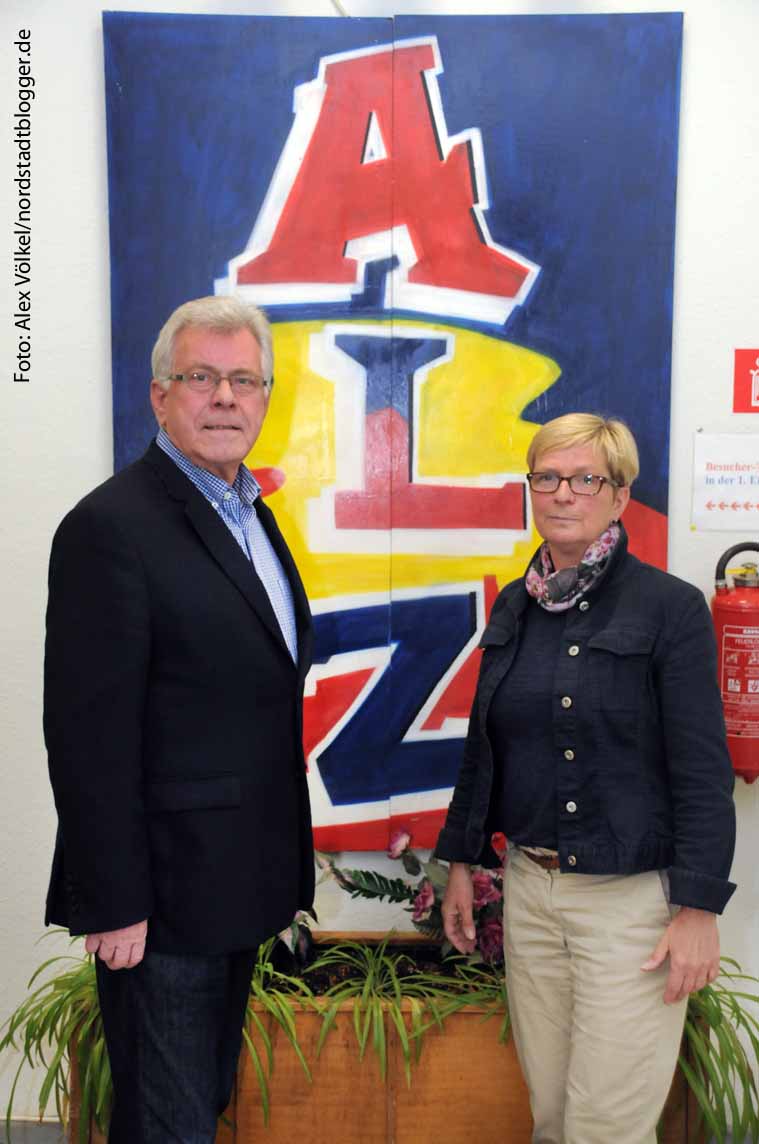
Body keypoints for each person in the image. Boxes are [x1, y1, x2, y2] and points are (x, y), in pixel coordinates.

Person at [43, 295, 314, 1143]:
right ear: (160, 396)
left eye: (244, 380)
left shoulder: (251, 516)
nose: (225, 397)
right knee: (167, 1123)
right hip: (159, 901)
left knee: (199, 1107)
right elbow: (87, 736)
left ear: (266, 398)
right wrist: (113, 901)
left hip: (235, 884)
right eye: (201, 377)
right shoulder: (109, 528)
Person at [436, 413, 736, 1144]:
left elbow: (702, 767)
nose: (562, 493)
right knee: (551, 1120)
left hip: (628, 911)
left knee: (604, 1128)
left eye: (583, 479)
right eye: (546, 477)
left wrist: (697, 908)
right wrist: (460, 864)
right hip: (531, 897)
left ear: (619, 494)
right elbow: (484, 746)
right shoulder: (514, 606)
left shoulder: (668, 608)